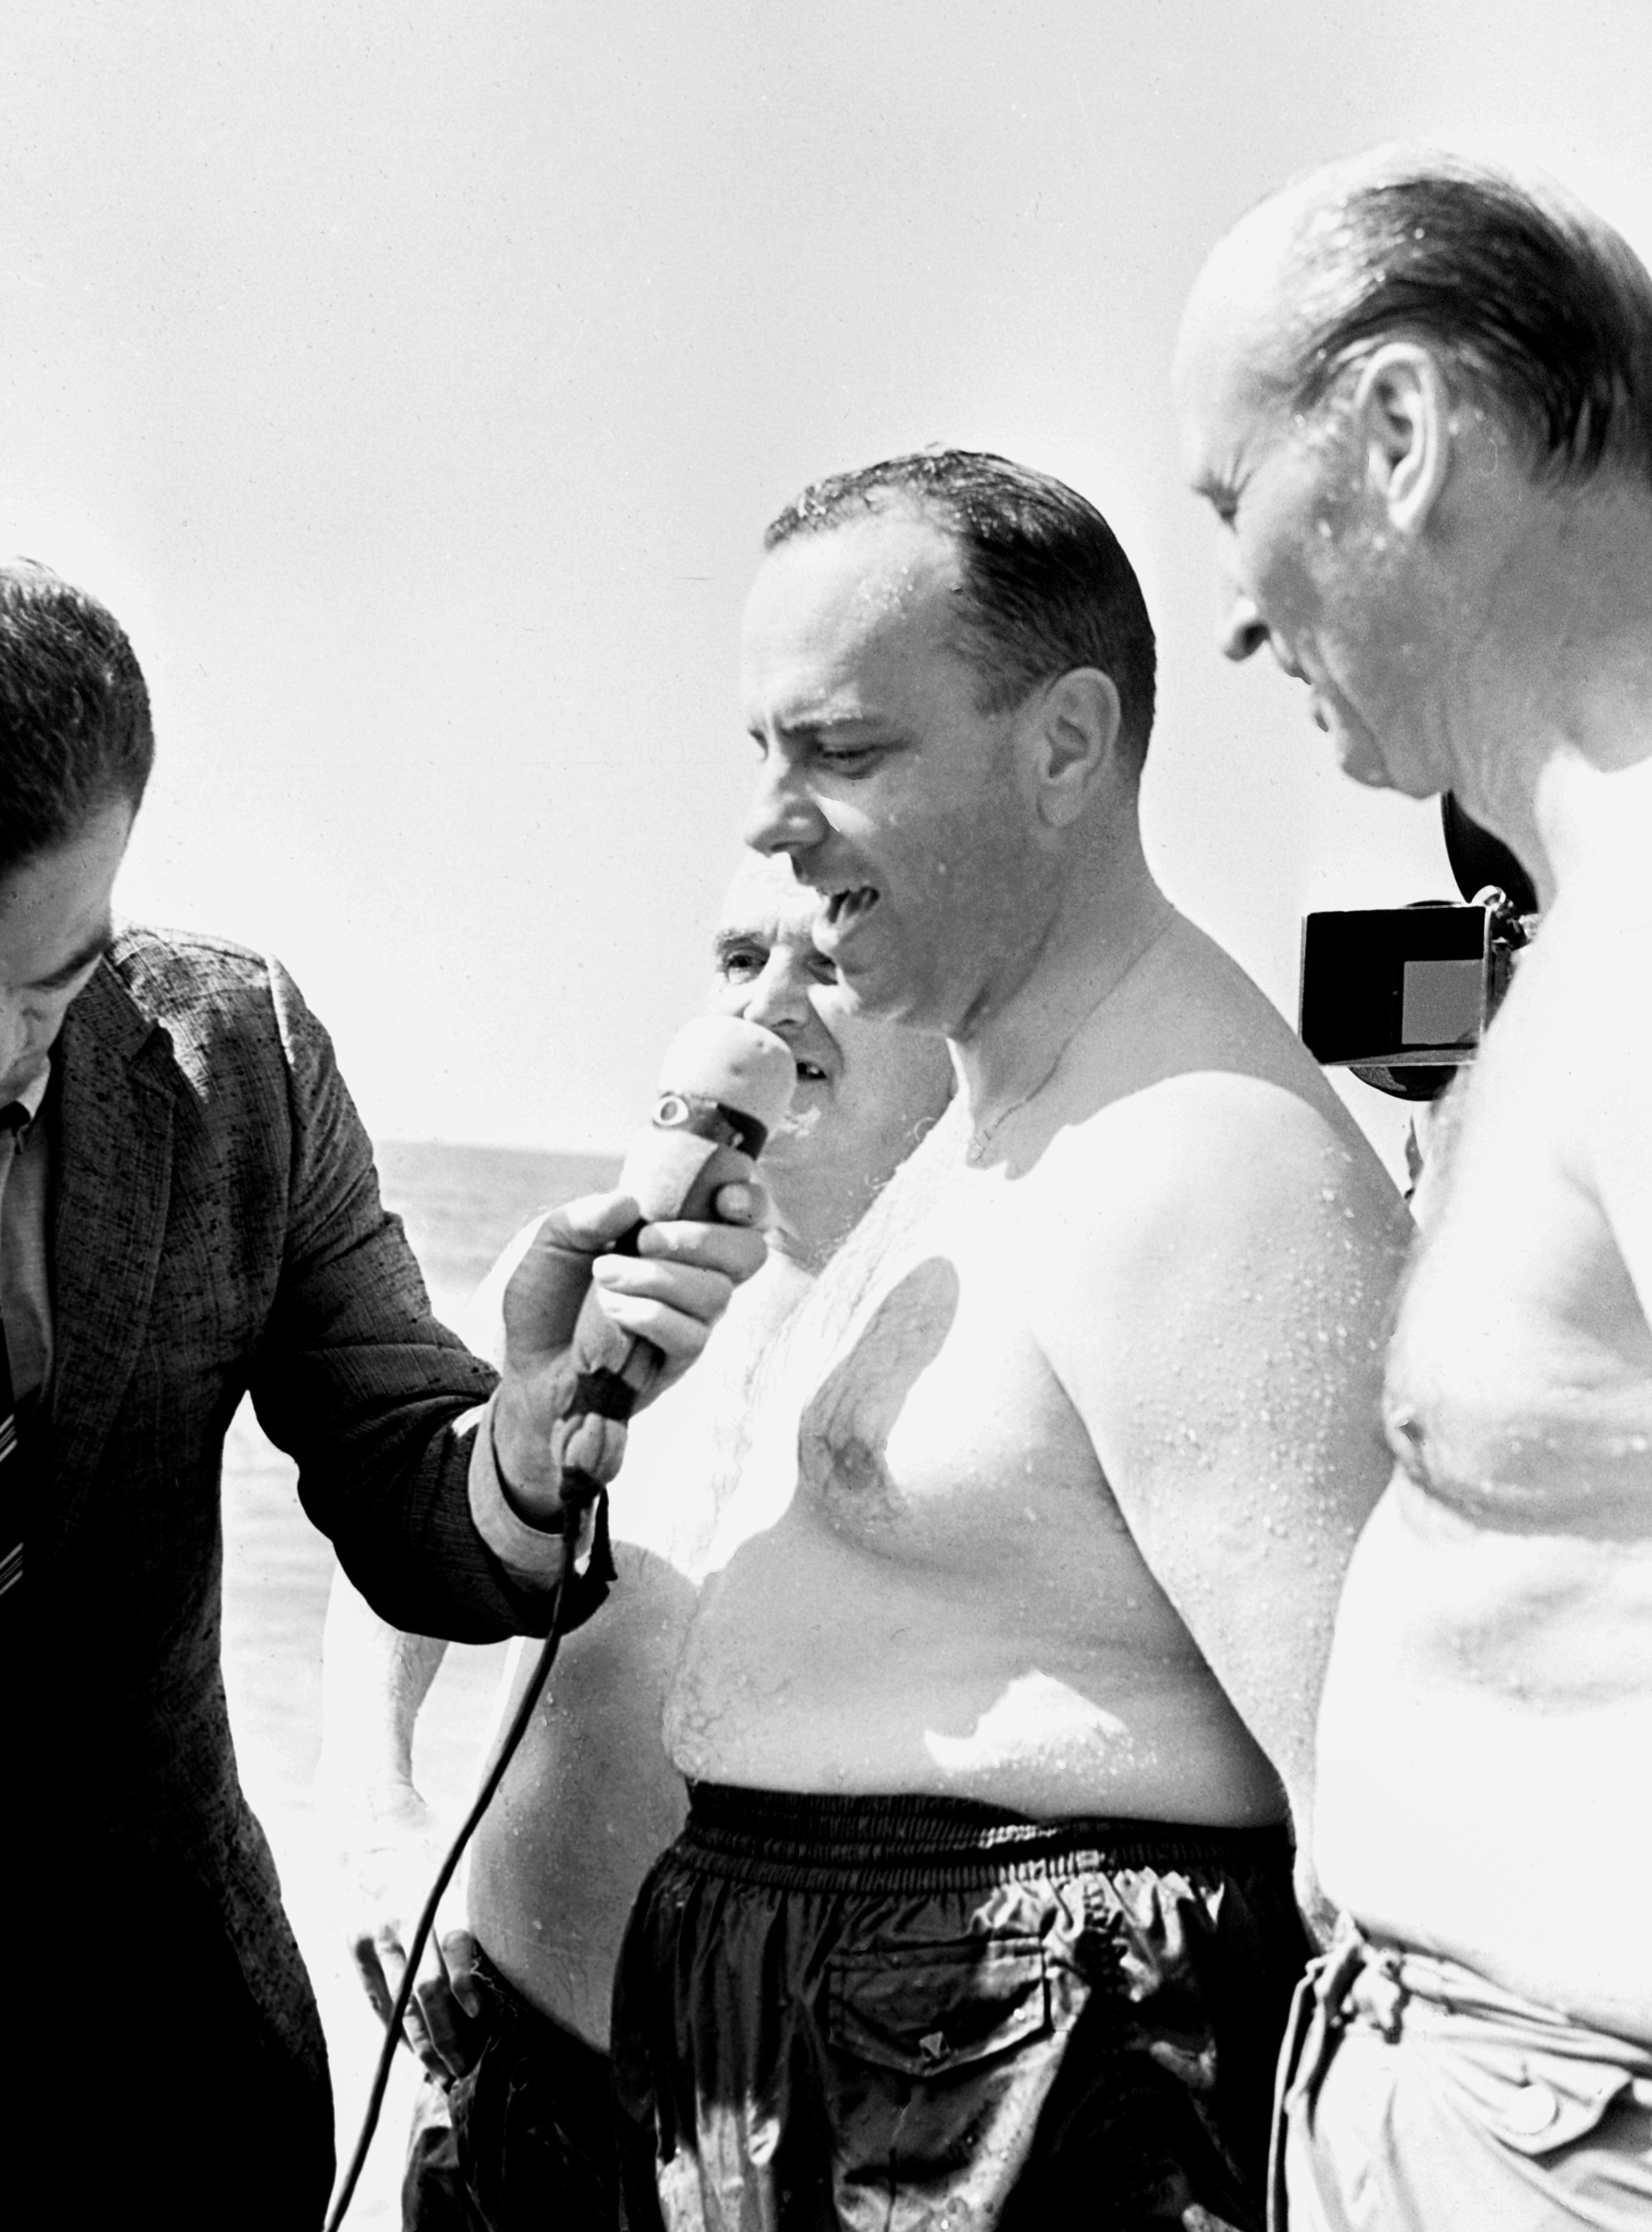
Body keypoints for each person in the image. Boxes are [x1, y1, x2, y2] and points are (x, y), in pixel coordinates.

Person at [0, 530, 762, 2230]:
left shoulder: (245, 1057)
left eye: (56, 982)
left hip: (163, 2085)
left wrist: (524, 1434)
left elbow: (405, 1491)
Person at [612, 450, 1414, 2232]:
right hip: (829, 2072)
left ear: (1064, 745)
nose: (773, 817)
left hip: (1035, 2098)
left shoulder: (1201, 1161)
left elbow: (1386, 1842)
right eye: (764, 750)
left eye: (843, 752)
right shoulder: (993, 1123)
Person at [1173, 148, 1652, 2230]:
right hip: (1448, 2104)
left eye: (1230, 502)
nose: (1229, 610)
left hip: (1600, 2147)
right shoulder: (1610, 906)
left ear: (1390, 434)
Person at [317, 851, 954, 2228]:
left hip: (812, 2132)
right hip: (506, 2061)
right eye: (741, 961)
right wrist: (378, 1815)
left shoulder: (977, 1308)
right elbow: (404, 1557)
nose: (772, 1007)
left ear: (950, 1006)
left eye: (829, 966)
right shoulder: (591, 1266)